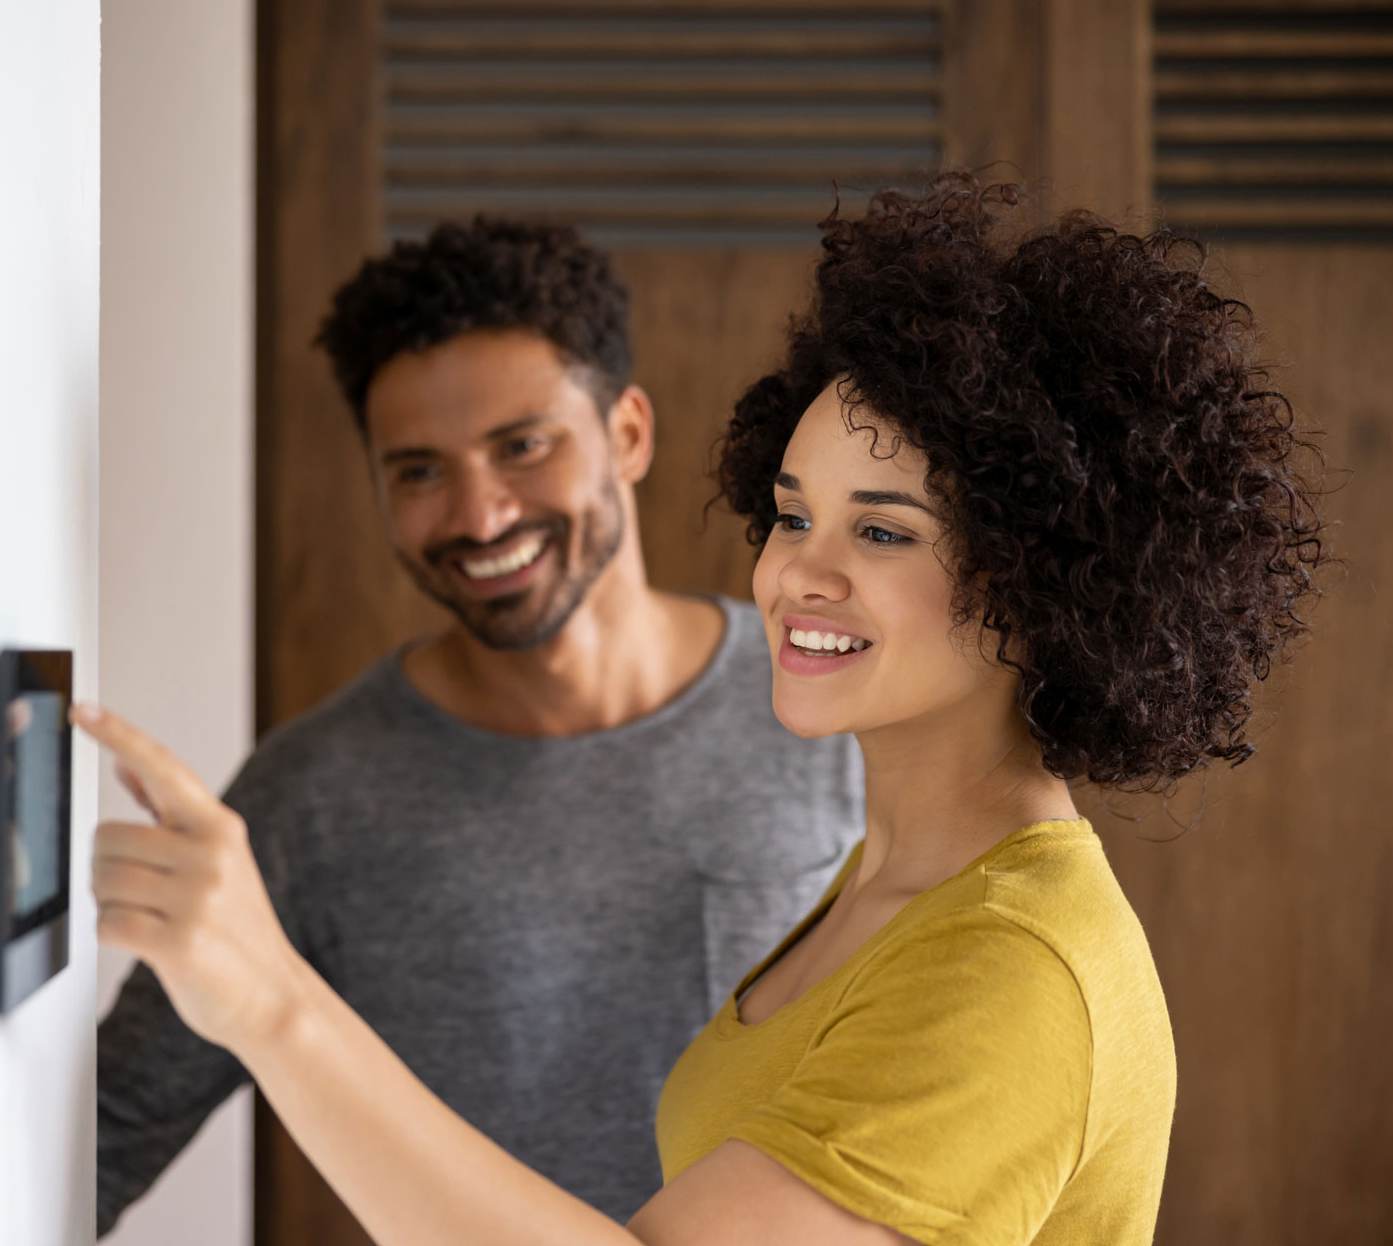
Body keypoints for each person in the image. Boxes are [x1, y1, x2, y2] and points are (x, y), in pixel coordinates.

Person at [78, 175, 1329, 1245]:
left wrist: (273, 1003)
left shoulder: (1019, 965)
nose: (798, 572)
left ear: (1044, 570)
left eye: (882, 529)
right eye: (792, 514)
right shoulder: (884, 876)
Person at [94, 219, 864, 1233]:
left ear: (627, 432)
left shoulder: (834, 713)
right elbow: (98, 1141)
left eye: (523, 445)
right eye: (419, 469)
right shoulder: (313, 798)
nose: (480, 513)